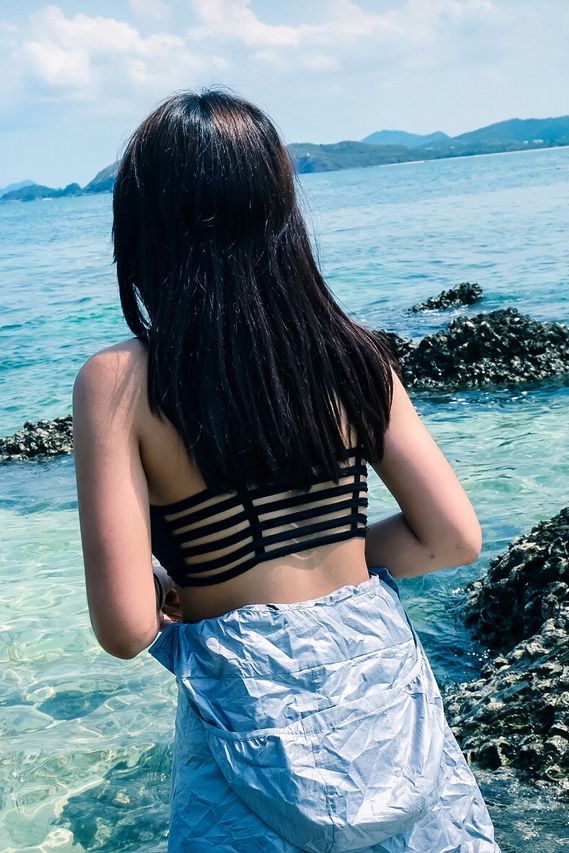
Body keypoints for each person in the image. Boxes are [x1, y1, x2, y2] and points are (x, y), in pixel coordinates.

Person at [72, 86, 500, 852]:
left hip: (248, 723)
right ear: (279, 213)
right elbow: (454, 538)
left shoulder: (121, 382)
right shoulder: (356, 356)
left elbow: (126, 626)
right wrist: (334, 560)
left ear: (143, 227)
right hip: (382, 692)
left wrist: (183, 584)